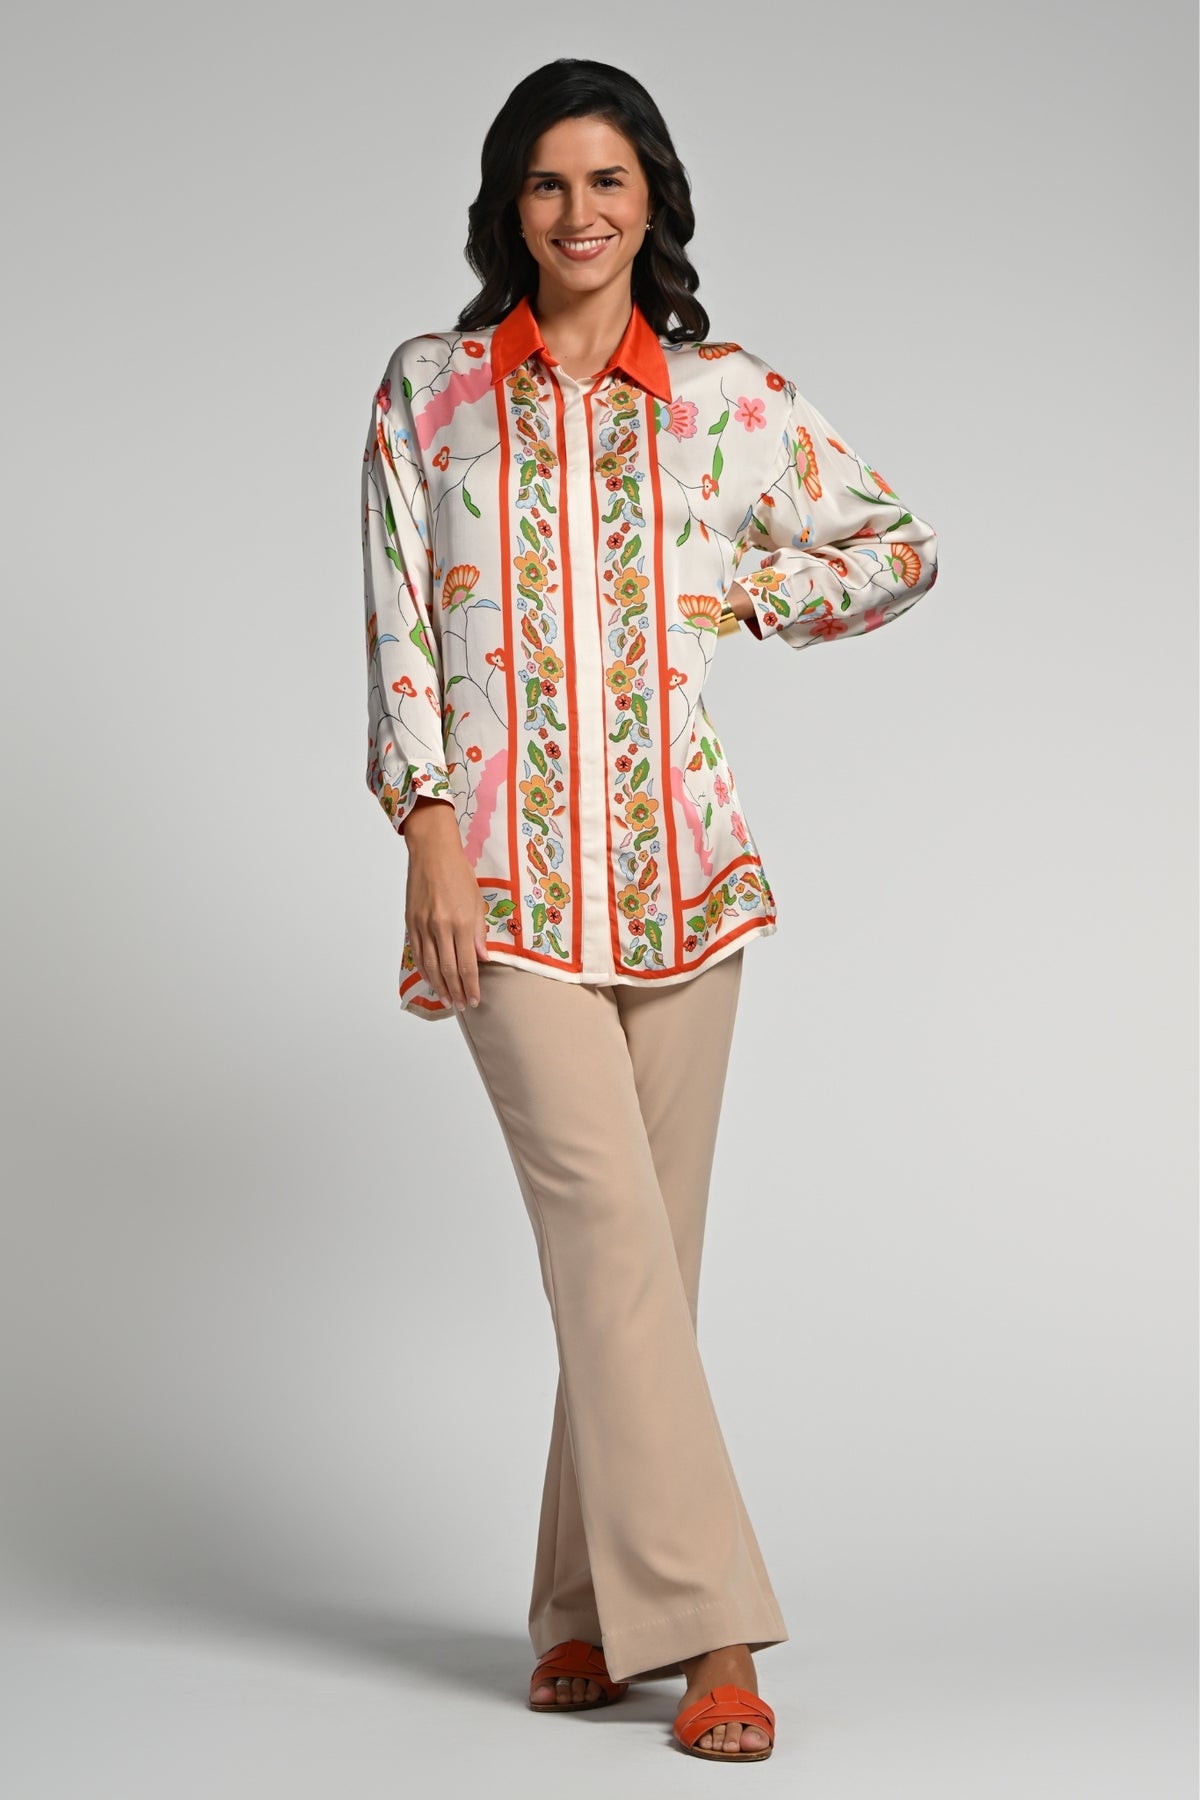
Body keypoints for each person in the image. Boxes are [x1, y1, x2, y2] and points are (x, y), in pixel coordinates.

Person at [360, 57, 939, 1765]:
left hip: (687, 877)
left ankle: (580, 1610)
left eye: (608, 181)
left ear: (651, 203)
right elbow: (397, 619)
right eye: (549, 183)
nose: (579, 212)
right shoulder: (431, 391)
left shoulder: (720, 398)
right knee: (610, 1242)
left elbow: (897, 547)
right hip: (505, 889)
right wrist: (425, 824)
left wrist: (730, 590)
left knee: (638, 1277)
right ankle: (712, 1629)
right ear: (509, 206)